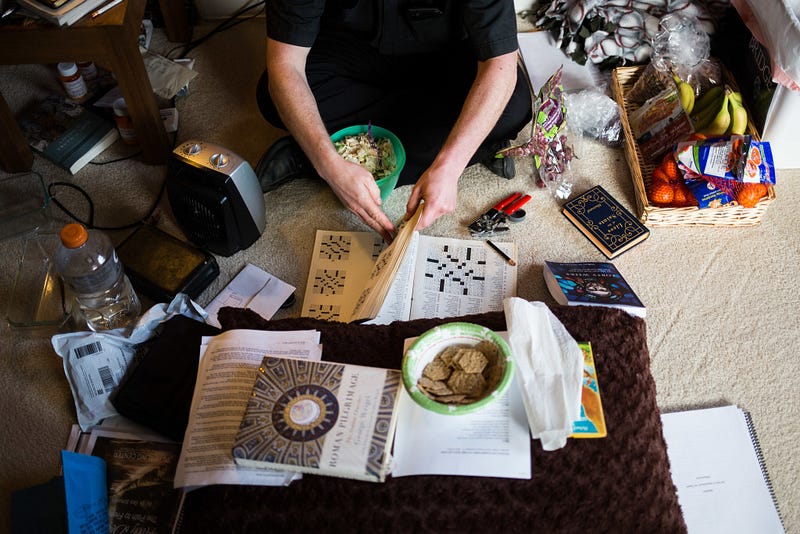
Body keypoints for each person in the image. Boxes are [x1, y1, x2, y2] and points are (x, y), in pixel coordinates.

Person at [256, 0, 532, 242]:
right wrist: (328, 164)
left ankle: (312, 154)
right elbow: (286, 64)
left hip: (445, 56)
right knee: (273, 96)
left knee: (513, 104)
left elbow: (500, 65)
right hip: (349, 48)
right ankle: (474, 143)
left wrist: (450, 165)